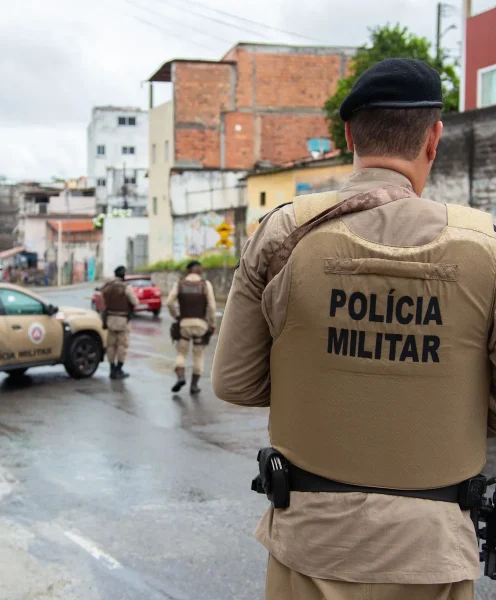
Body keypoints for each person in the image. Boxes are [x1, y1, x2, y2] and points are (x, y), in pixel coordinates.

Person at [212, 58, 493, 600]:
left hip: (311, 546)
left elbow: (235, 383)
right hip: (431, 553)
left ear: (348, 135)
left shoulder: (284, 232)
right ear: (434, 138)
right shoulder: (487, 246)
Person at [166, 260, 216, 394]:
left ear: (188, 270)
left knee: (181, 352)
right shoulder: (205, 285)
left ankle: (181, 377)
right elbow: (211, 307)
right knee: (198, 355)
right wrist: (212, 324)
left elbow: (169, 302)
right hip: (200, 324)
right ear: (199, 270)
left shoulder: (180, 284)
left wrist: (176, 316)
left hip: (184, 324)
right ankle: (194, 385)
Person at [101, 265, 138, 380]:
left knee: (111, 345)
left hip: (110, 319)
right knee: (122, 345)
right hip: (123, 319)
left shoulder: (107, 286)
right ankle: (119, 369)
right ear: (124, 274)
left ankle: (112, 369)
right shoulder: (126, 287)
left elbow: (103, 298)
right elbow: (135, 301)